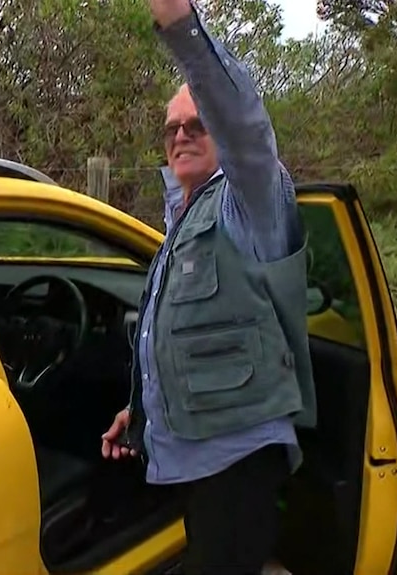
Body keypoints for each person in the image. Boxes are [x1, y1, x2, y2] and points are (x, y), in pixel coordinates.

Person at [101, 1, 317, 573]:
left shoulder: (250, 203)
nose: (180, 135)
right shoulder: (180, 218)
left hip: (238, 457)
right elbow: (181, 336)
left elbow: (244, 125)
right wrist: (141, 412)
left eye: (197, 124)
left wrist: (180, 25)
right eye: (171, 127)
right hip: (192, 453)